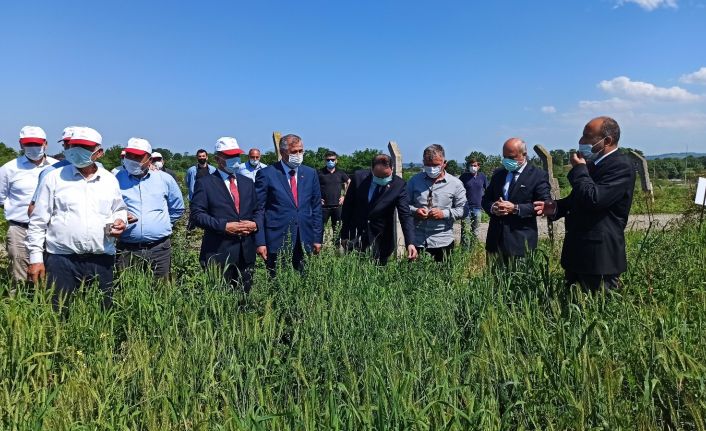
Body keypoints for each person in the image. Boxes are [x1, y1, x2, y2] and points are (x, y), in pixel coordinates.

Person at [26, 127, 127, 310]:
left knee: (101, 313)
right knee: (60, 313)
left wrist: (121, 221)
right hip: (61, 260)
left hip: (101, 259)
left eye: (84, 147)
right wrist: (35, 259)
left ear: (99, 152)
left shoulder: (109, 180)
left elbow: (119, 209)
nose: (77, 151)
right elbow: (38, 221)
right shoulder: (54, 178)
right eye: (74, 146)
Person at [534, 116, 636, 292]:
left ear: (607, 141)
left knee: (596, 311)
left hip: (599, 258)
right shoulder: (592, 164)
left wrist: (579, 170)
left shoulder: (621, 166)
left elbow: (594, 199)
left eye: (588, 137)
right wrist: (556, 207)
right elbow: (578, 198)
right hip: (578, 251)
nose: (581, 141)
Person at [190, 137, 262, 292]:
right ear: (217, 158)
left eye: (236, 155)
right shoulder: (206, 183)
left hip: (245, 253)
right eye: (229, 156)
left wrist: (255, 223)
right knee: (220, 301)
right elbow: (197, 214)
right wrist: (224, 226)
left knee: (244, 298)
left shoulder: (247, 182)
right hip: (218, 253)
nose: (234, 159)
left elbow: (258, 210)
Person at [116, 139, 184, 279]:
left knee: (160, 291)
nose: (133, 160)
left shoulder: (164, 179)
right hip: (127, 248)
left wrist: (162, 223)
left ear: (149, 159)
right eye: (130, 156)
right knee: (127, 291)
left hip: (159, 248)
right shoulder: (115, 179)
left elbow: (177, 208)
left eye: (138, 157)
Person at [254, 134, 323, 275]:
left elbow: (316, 207)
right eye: (294, 152)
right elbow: (259, 209)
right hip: (277, 239)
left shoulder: (310, 174)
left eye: (301, 151)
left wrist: (317, 238)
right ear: (283, 152)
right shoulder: (267, 174)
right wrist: (260, 242)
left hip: (304, 238)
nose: (298, 155)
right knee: (278, 281)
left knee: (304, 281)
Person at [0, 126, 57, 281]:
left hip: (50, 229)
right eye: (28, 144)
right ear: (21, 144)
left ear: (45, 144)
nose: (33, 148)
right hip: (20, 229)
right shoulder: (9, 169)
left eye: (37, 144)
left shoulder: (56, 167)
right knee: (19, 276)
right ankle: (18, 302)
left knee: (50, 274)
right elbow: (1, 198)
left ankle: (44, 304)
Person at [482, 138, 551, 264]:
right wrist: (493, 207)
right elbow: (485, 200)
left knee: (519, 282)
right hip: (495, 241)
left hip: (520, 243)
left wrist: (515, 208)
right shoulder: (498, 174)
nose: (507, 161)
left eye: (511, 157)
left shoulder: (537, 175)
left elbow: (543, 205)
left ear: (524, 154)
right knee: (494, 282)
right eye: (504, 157)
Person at [340, 154, 417, 264]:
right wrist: (344, 235)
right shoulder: (359, 178)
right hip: (356, 234)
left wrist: (410, 242)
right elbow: (347, 207)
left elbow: (405, 215)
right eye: (379, 177)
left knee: (379, 270)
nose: (382, 179)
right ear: (371, 169)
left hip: (381, 237)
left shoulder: (398, 185)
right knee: (354, 270)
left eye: (386, 176)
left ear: (392, 168)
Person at [407, 144, 466, 262]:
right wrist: (415, 211)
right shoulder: (414, 181)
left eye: (435, 165)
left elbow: (463, 210)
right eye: (428, 165)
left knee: (443, 278)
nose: (431, 168)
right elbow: (404, 205)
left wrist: (443, 214)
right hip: (417, 242)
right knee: (414, 278)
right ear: (423, 162)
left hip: (443, 241)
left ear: (444, 163)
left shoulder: (455, 184)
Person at [317, 151, 350, 234]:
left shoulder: (340, 173)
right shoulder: (319, 173)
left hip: (337, 207)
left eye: (332, 159)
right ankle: (319, 246)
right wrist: (317, 198)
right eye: (328, 160)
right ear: (325, 161)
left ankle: (336, 246)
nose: (330, 162)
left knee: (337, 230)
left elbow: (349, 182)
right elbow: (312, 186)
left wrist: (344, 196)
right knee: (319, 229)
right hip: (323, 207)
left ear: (336, 161)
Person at [458, 157, 488, 247]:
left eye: (475, 165)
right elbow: (457, 190)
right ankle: (464, 252)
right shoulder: (464, 177)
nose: (473, 167)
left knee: (475, 232)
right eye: (471, 165)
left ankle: (473, 251)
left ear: (478, 167)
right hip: (465, 208)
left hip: (478, 208)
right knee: (465, 232)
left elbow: (488, 189)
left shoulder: (482, 176)